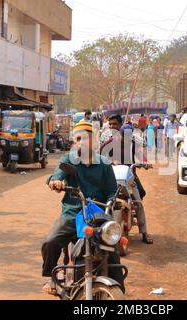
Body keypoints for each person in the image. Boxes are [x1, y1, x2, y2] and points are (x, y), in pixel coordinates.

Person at [41, 121, 124, 294]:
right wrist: (56, 182)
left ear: (93, 141)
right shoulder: (68, 160)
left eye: (85, 138)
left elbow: (111, 190)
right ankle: (51, 277)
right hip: (73, 213)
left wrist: (114, 199)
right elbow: (56, 176)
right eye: (78, 138)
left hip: (98, 216)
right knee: (50, 242)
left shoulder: (104, 164)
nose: (81, 142)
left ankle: (119, 290)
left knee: (113, 248)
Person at [100, 114, 153, 244]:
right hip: (112, 177)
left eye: (115, 124)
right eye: (110, 124)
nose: (112, 127)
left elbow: (140, 154)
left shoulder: (132, 141)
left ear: (120, 125)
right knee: (100, 199)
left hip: (129, 176)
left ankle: (144, 232)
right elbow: (99, 155)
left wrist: (145, 163)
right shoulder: (107, 140)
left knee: (139, 201)